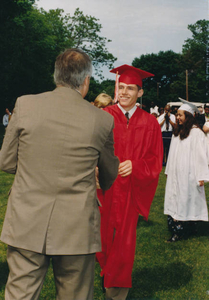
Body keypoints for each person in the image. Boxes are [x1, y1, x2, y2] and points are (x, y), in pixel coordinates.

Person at [0, 48, 119, 300]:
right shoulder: (102, 120)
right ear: (86, 81)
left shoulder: (25, 104)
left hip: (26, 217)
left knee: (19, 294)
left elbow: (6, 161)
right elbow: (109, 174)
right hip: (77, 225)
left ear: (56, 77)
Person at [96, 64, 163, 300]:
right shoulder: (105, 117)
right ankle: (106, 276)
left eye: (130, 88)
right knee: (101, 241)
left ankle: (116, 292)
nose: (124, 92)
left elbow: (156, 161)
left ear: (140, 93)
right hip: (105, 190)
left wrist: (136, 165)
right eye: (121, 87)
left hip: (130, 193)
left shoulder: (150, 123)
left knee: (124, 246)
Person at [164, 99, 209, 242]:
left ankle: (186, 228)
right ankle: (178, 228)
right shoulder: (177, 132)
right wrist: (168, 171)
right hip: (176, 173)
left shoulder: (196, 133)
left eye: (180, 115)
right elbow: (171, 153)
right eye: (177, 115)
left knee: (188, 199)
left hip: (190, 174)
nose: (177, 118)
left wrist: (201, 176)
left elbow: (202, 156)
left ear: (188, 116)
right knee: (176, 199)